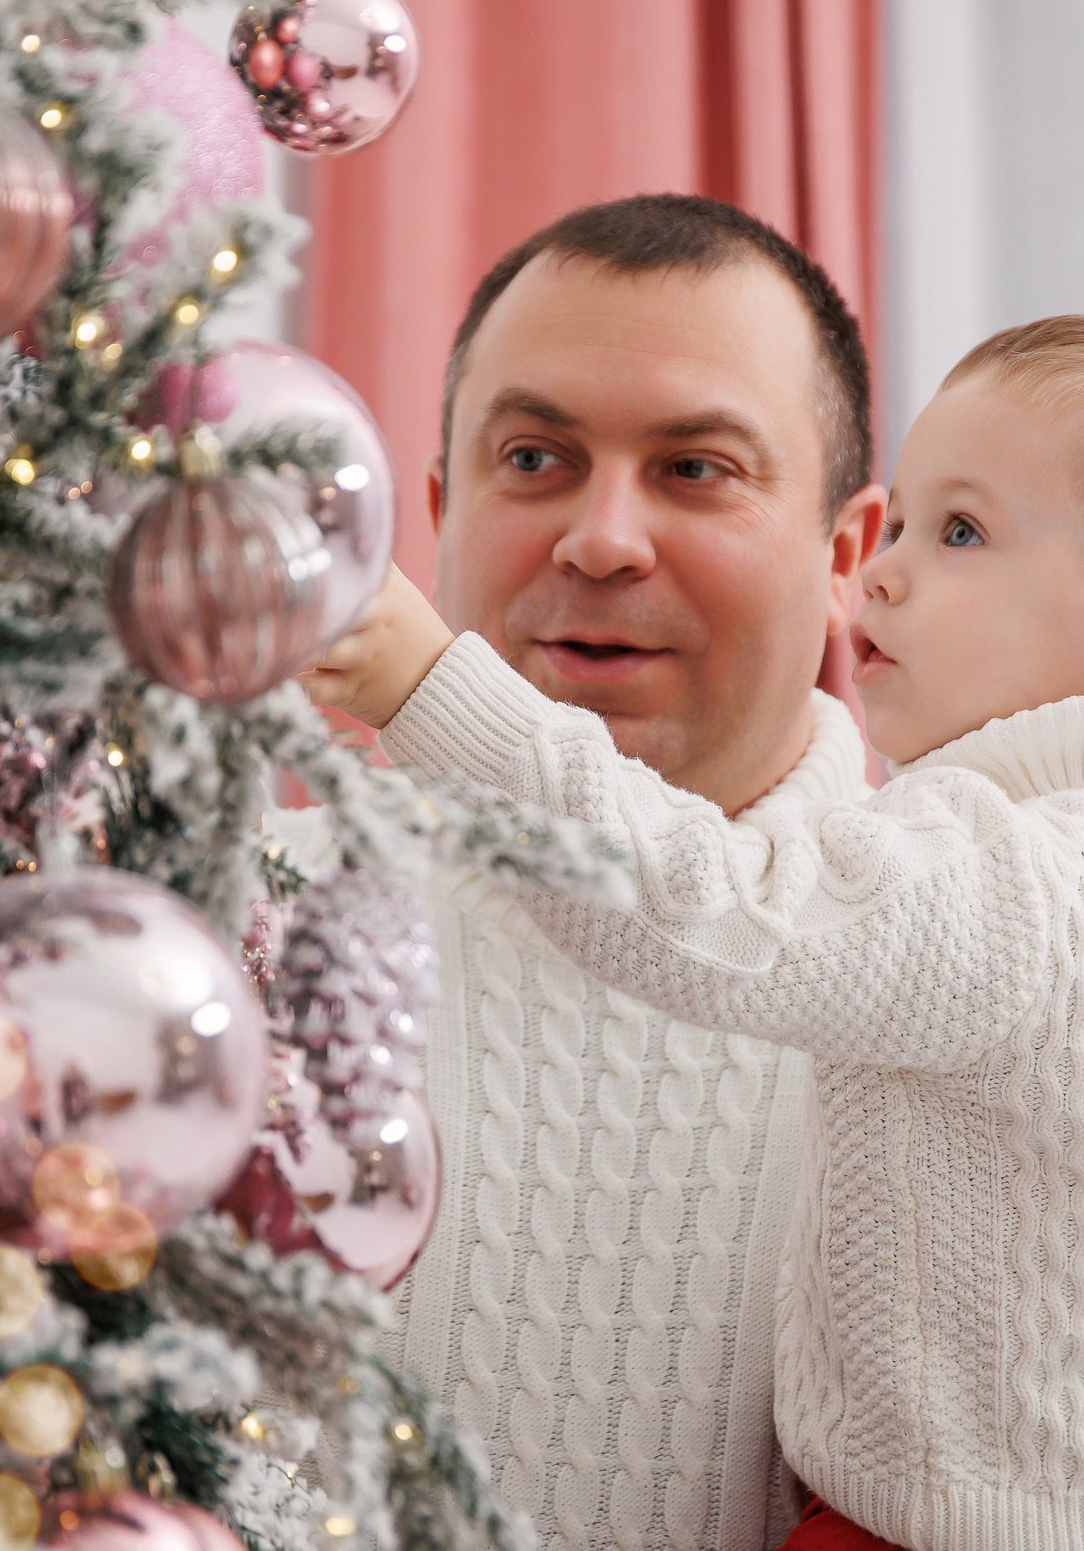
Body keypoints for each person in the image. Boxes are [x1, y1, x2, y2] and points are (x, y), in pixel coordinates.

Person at [308, 315, 1084, 1551]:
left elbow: (708, 901)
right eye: (907, 524)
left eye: (958, 533)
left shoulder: (999, 885)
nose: (887, 578)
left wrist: (430, 686)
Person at [312, 194, 889, 1551]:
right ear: (441, 510)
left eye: (696, 468)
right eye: (535, 457)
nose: (602, 538)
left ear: (846, 554)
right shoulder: (228, 919)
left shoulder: (986, 959)